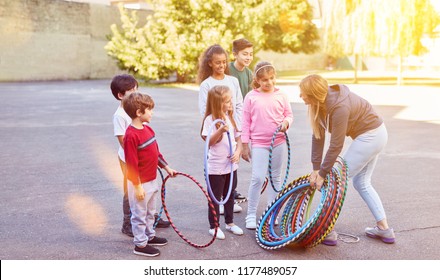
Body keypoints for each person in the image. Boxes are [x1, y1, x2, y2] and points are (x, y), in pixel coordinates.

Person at [298, 74, 395, 245]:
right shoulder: (319, 104)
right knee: (361, 182)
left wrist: (322, 173)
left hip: (371, 136)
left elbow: (336, 145)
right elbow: (318, 136)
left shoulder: (339, 106)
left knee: (334, 179)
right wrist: (315, 168)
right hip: (374, 134)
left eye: (303, 93)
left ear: (314, 94)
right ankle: (384, 229)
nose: (300, 96)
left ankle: (327, 230)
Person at [111, 74, 171, 238]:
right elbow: (124, 141)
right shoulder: (120, 116)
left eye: (137, 89)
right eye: (131, 91)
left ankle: (150, 220)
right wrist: (138, 153)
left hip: (142, 158)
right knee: (131, 192)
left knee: (149, 193)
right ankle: (128, 222)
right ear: (121, 95)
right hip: (128, 159)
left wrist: (162, 163)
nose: (136, 93)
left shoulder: (141, 121)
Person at [123, 92, 176, 257]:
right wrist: (137, 186)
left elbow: (156, 153)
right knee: (139, 213)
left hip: (152, 179)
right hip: (140, 183)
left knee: (150, 210)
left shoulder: (148, 129)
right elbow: (131, 164)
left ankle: (149, 235)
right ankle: (140, 244)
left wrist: (167, 167)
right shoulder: (131, 136)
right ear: (139, 113)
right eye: (149, 110)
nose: (152, 113)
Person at [241, 62, 293, 230]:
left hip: (278, 142)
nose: (268, 82)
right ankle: (250, 214)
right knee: (257, 177)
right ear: (257, 80)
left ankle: (272, 212)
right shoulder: (251, 96)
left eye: (271, 78)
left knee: (275, 178)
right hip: (259, 143)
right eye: (264, 80)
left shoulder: (281, 95)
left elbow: (289, 114)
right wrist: (244, 144)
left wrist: (286, 122)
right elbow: (246, 121)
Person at [197, 44, 244, 214]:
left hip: (231, 125)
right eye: (218, 63)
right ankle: (219, 200)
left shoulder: (233, 81)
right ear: (210, 63)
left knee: (232, 166)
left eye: (224, 62)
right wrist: (217, 127)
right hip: (216, 128)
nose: (222, 66)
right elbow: (204, 110)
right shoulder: (206, 84)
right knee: (217, 164)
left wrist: (237, 127)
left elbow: (239, 104)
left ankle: (228, 198)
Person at [201, 85, 244, 239]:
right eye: (227, 101)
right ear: (217, 103)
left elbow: (239, 140)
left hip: (231, 166)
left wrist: (238, 153)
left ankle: (230, 222)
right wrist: (220, 130)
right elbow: (209, 142)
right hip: (216, 167)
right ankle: (214, 226)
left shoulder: (231, 118)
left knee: (230, 195)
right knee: (215, 197)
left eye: (230, 100)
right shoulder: (210, 120)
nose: (230, 103)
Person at [228, 38, 254, 203]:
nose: (248, 57)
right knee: (229, 154)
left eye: (251, 54)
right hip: (228, 116)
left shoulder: (249, 73)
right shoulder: (228, 70)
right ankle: (227, 191)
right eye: (245, 54)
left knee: (236, 156)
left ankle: (232, 190)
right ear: (235, 54)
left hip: (241, 117)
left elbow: (250, 97)